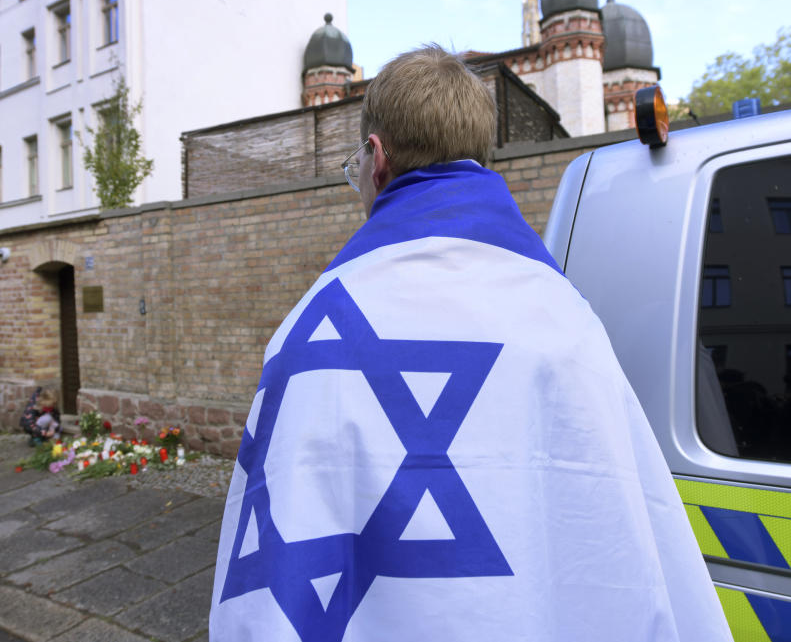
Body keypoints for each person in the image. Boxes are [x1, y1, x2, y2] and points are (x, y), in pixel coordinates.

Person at [209, 46, 732, 641]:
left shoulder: (309, 335)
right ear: (482, 162)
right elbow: (626, 548)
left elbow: (266, 589)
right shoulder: (565, 321)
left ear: (376, 160)